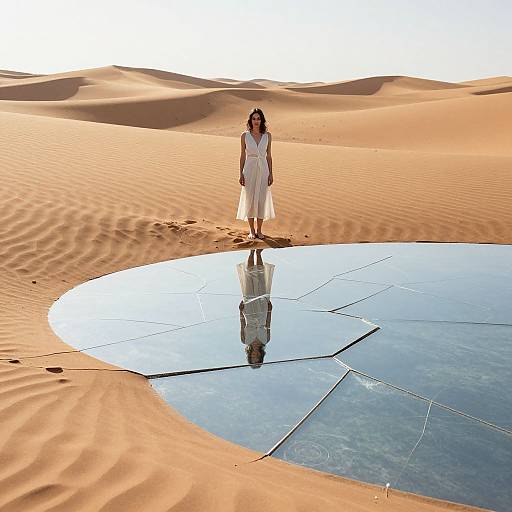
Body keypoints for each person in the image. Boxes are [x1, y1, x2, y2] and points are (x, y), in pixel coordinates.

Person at [236, 108, 275, 240]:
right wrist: (241, 173)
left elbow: (269, 156)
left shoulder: (267, 135)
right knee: (250, 199)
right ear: (250, 120)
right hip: (249, 169)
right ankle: (251, 230)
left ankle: (259, 230)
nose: (256, 121)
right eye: (254, 118)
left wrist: (271, 173)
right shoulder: (244, 136)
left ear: (262, 120)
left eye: (258, 118)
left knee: (261, 200)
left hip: (263, 169)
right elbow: (242, 156)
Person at [237, 249, 274, 368]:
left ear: (250, 356)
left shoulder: (245, 340)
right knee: (261, 281)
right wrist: (270, 310)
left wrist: (240, 311)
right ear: (261, 357)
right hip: (263, 312)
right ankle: (258, 253)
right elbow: (268, 324)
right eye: (257, 358)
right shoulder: (266, 340)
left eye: (253, 358)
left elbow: (242, 324)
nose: (255, 356)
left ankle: (251, 253)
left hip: (249, 312)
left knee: (249, 281)